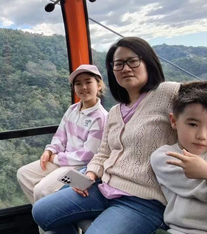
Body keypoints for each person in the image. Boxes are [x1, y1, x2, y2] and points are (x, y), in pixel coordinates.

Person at [32, 36, 181, 234]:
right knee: (41, 211)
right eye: (118, 64)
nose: (126, 68)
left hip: (142, 200)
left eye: (133, 61)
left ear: (148, 62)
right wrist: (90, 175)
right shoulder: (115, 112)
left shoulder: (167, 93)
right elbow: (103, 152)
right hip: (104, 187)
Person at [17, 64, 108, 204]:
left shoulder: (100, 118)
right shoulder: (72, 110)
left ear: (99, 85)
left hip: (80, 167)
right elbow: (60, 136)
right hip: (63, 160)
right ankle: (46, 216)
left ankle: (47, 219)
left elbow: (87, 156)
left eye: (88, 82)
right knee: (24, 174)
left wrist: (56, 159)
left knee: (41, 190)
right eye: (78, 83)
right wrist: (50, 151)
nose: (83, 87)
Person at [151, 81, 207, 234]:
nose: (202, 135)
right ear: (174, 121)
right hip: (180, 230)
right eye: (193, 124)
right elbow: (200, 189)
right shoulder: (164, 157)